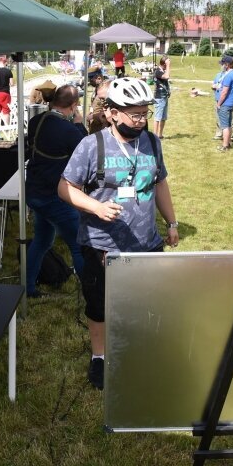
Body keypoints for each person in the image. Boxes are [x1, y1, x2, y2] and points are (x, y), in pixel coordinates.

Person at [58, 77, 180, 390]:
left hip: (146, 242)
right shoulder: (91, 145)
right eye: (134, 114)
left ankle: (139, 350)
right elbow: (65, 188)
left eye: (144, 114)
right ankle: (99, 357)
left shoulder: (152, 142)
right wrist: (95, 208)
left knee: (144, 301)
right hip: (102, 246)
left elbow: (160, 183)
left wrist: (172, 222)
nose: (141, 121)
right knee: (99, 306)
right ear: (112, 113)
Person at [26, 85, 88, 298]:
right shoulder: (69, 130)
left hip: (35, 191)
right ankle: (92, 295)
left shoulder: (36, 121)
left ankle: (28, 287)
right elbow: (86, 151)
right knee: (78, 245)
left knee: (42, 241)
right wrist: (80, 126)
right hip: (54, 195)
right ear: (73, 106)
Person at [216, 55, 233, 152]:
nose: (222, 66)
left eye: (223, 64)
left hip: (225, 104)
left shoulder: (229, 75)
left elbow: (224, 92)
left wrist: (219, 104)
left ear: (227, 64)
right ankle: (228, 143)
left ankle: (225, 146)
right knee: (229, 124)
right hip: (232, 102)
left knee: (225, 125)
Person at [152, 56, 171, 139]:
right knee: (157, 118)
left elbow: (165, 81)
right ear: (164, 64)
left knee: (163, 118)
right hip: (159, 98)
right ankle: (155, 136)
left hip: (164, 97)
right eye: (166, 63)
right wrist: (168, 65)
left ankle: (160, 134)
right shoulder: (158, 71)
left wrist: (168, 91)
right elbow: (167, 76)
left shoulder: (162, 70)